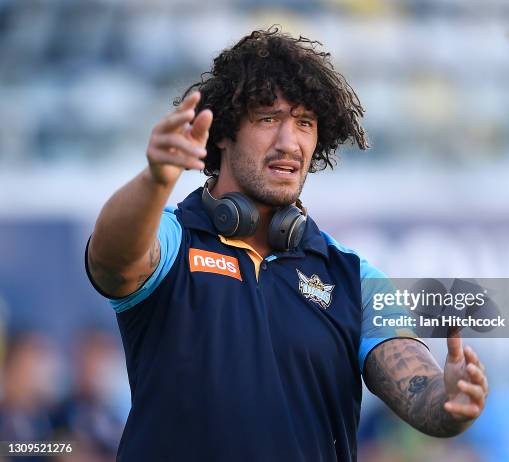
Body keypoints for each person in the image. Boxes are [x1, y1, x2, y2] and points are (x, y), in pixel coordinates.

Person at [85, 27, 488, 461]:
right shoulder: (172, 236)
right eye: (268, 118)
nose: (289, 142)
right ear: (222, 132)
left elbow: (422, 393)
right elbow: (114, 259)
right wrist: (154, 181)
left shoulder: (353, 277)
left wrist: (451, 400)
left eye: (304, 123)